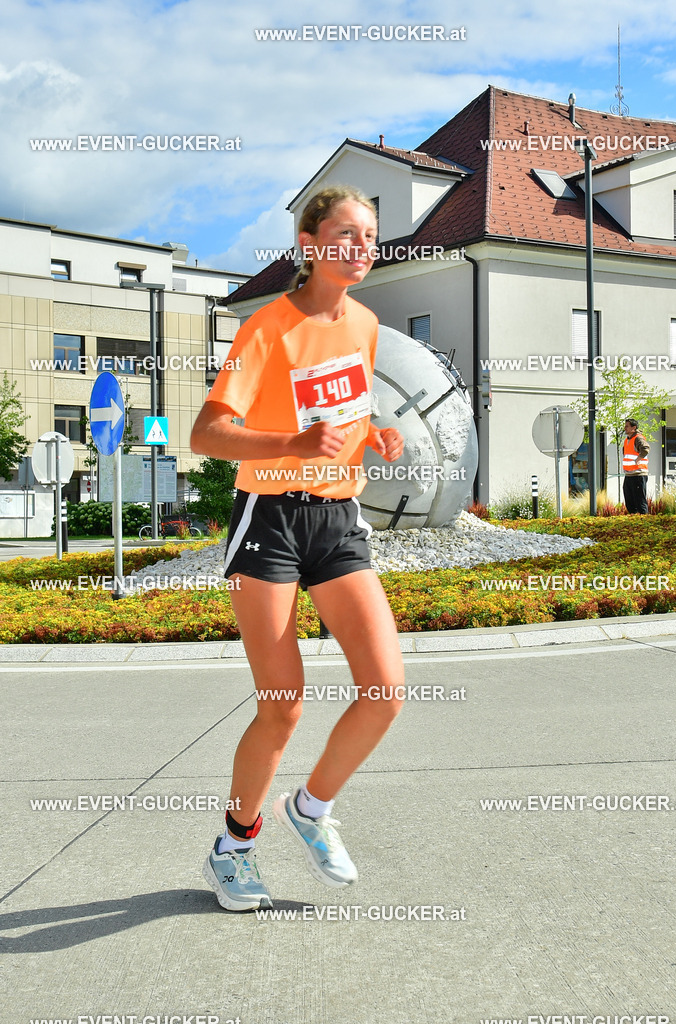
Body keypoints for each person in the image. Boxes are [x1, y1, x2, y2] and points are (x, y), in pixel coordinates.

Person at [190, 185, 405, 912]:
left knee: (384, 692)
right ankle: (234, 847)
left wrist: (369, 435)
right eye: (345, 234)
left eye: (369, 236)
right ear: (309, 245)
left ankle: (309, 811)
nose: (360, 248)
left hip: (338, 521)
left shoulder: (368, 323)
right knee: (282, 704)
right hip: (270, 520)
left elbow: (343, 410)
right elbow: (207, 433)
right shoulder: (268, 327)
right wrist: (294, 444)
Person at [622, 418, 649, 514]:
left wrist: (638, 459)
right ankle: (634, 522)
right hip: (629, 475)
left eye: (627, 426)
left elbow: (645, 449)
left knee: (640, 501)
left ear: (634, 428)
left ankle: (644, 523)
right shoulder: (627, 440)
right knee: (630, 502)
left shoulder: (638, 438)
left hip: (638, 474)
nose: (625, 428)